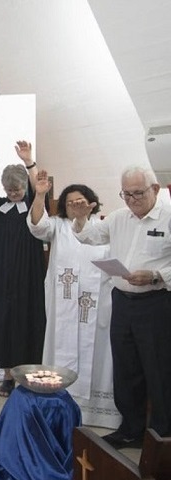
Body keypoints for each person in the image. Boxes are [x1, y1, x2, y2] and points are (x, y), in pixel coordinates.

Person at [72, 166, 171, 448]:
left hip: (157, 303)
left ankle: (161, 438)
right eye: (125, 194)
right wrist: (81, 219)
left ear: (154, 189)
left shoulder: (168, 217)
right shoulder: (118, 217)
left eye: (137, 193)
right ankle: (131, 429)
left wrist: (156, 275)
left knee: (159, 371)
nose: (131, 199)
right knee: (126, 369)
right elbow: (89, 236)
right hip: (123, 303)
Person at [28, 171, 121, 429]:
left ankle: (96, 412)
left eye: (80, 201)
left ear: (91, 202)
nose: (75, 206)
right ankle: (57, 404)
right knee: (61, 346)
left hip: (95, 304)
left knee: (99, 352)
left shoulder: (103, 226)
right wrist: (40, 194)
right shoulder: (57, 227)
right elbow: (36, 224)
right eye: (70, 202)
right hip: (63, 305)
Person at [0, 141, 46, 397]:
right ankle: (7, 376)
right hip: (0, 276)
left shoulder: (33, 207)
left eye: (18, 189)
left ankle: (28, 374)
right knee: (3, 322)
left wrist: (29, 161)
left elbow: (41, 190)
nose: (14, 194)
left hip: (28, 276)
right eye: (10, 190)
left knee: (27, 321)